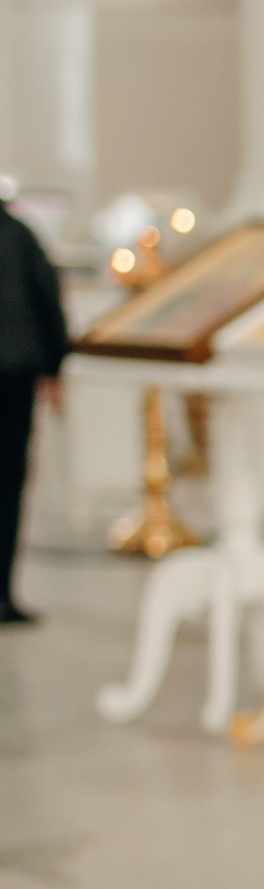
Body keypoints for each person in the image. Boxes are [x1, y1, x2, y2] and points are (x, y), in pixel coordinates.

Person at [0, 191, 68, 626]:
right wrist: (55, 366)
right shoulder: (20, 236)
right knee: (8, 482)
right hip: (15, 373)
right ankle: (2, 595)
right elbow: (48, 300)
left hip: (15, 368)